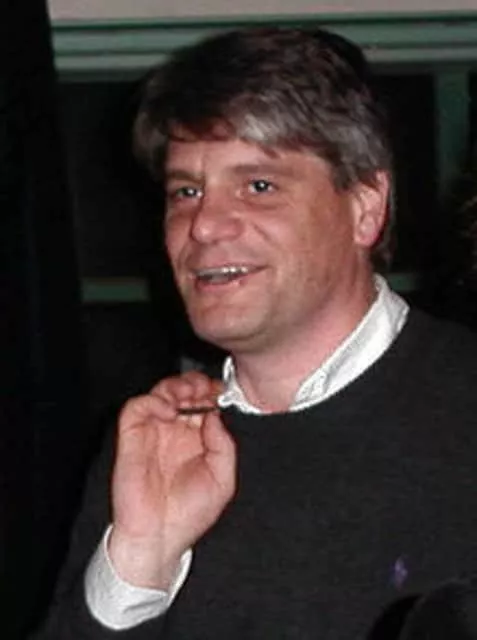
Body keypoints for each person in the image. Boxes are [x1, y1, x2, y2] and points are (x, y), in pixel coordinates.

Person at [34, 26, 477, 639]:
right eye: (186, 191)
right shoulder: (158, 446)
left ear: (365, 207)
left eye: (259, 186)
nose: (204, 225)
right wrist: (137, 566)